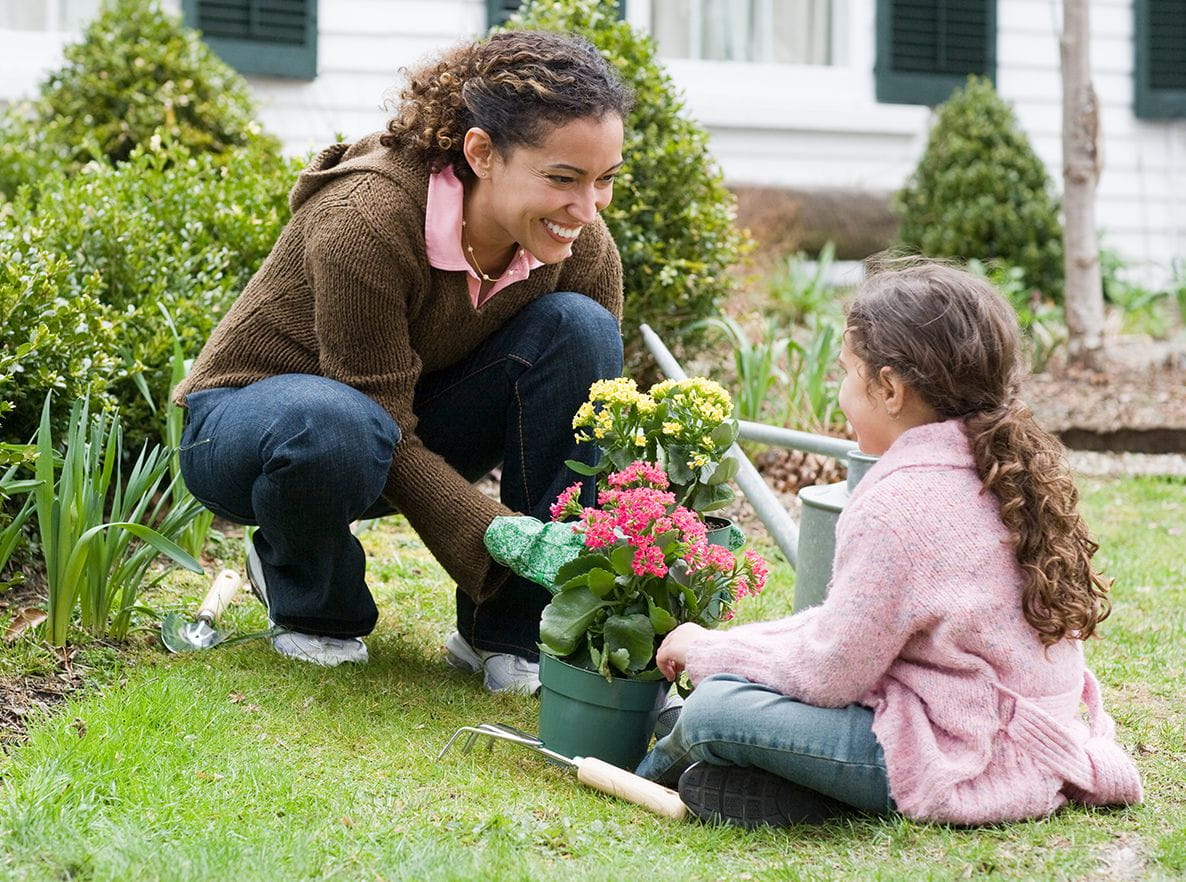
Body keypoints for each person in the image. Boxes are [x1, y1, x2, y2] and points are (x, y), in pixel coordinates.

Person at [174, 31, 633, 691]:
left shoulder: (578, 238)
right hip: (254, 426)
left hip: (391, 417)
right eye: (563, 179)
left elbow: (593, 419)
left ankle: (508, 632)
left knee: (583, 330)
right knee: (336, 422)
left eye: (605, 180)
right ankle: (309, 596)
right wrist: (504, 537)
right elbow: (376, 418)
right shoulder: (366, 220)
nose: (587, 208)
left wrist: (631, 534)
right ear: (481, 153)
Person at [636, 262, 1143, 827]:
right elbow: (847, 628)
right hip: (994, 730)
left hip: (963, 755)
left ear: (891, 390)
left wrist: (713, 655)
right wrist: (730, 646)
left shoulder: (900, 504)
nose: (841, 393)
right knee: (736, 694)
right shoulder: (994, 464)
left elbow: (831, 673)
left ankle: (650, 767)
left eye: (848, 374)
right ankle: (781, 789)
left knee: (713, 710)